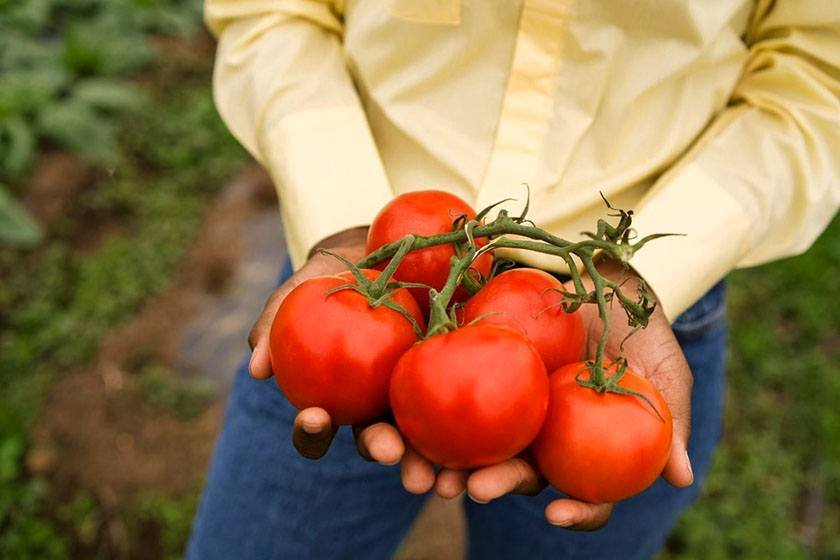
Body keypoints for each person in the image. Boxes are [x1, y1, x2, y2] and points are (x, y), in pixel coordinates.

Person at [187, 1, 840, 558]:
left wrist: (642, 268)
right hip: (362, 273)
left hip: (624, 328)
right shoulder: (354, 296)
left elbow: (819, 75)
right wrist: (338, 218)